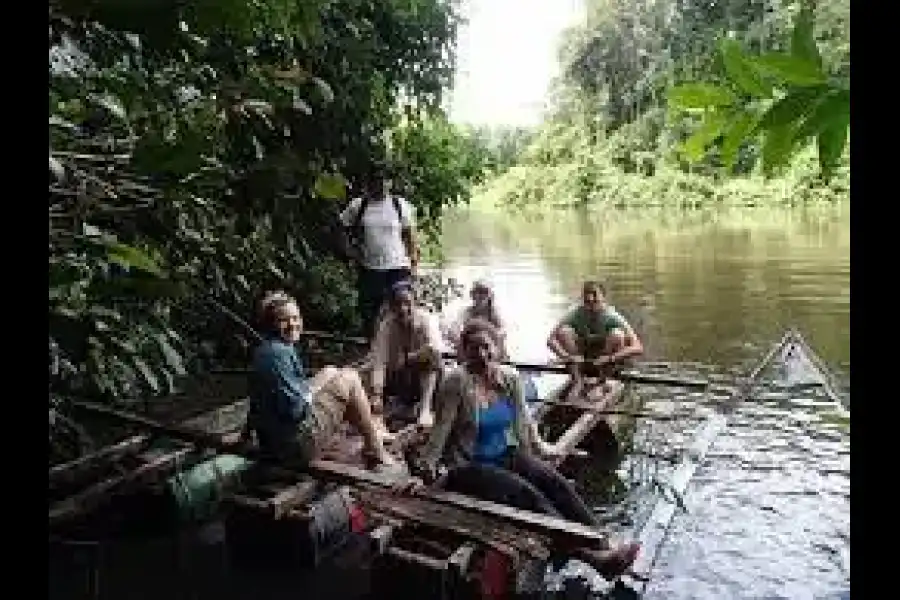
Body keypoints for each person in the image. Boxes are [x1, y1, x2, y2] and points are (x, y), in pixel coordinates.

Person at [404, 318, 641, 579]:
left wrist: (543, 449)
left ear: (496, 347)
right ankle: (594, 557)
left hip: (506, 453)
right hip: (469, 466)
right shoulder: (455, 382)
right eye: (474, 348)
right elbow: (441, 430)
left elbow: (525, 421)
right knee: (528, 496)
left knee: (556, 483)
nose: (481, 355)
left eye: (486, 347)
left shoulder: (509, 377)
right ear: (464, 350)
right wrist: (422, 473)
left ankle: (604, 544)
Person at [248, 290, 399, 470]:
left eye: (296, 318)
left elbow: (256, 403)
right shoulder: (281, 353)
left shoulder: (263, 350)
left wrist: (245, 435)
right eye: (284, 320)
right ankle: (375, 448)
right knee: (350, 378)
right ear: (271, 324)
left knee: (330, 371)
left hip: (270, 445)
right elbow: (296, 410)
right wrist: (316, 390)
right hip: (295, 447)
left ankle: (371, 428)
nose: (292, 324)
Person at [339, 164, 420, 340]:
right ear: (369, 183)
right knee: (370, 314)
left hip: (398, 268)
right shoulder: (358, 206)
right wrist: (351, 252)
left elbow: (411, 238)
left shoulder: (400, 205)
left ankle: (404, 350)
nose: (381, 184)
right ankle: (373, 350)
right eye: (377, 180)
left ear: (390, 183)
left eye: (385, 181)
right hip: (370, 268)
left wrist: (414, 266)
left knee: (403, 311)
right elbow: (342, 229)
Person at [367, 280, 443, 428]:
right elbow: (379, 361)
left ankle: (425, 408)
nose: (403, 309)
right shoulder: (387, 325)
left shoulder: (426, 319)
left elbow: (435, 348)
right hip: (399, 375)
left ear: (414, 302)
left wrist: (410, 358)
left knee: (432, 357)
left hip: (424, 373)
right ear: (391, 307)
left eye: (407, 303)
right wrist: (377, 392)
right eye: (398, 304)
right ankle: (392, 404)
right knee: (367, 373)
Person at [547, 280, 644, 383]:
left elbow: (638, 347)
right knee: (564, 332)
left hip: (607, 359)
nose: (592, 307)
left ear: (603, 300)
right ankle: (577, 379)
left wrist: (610, 358)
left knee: (617, 335)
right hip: (583, 358)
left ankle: (604, 380)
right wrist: (566, 357)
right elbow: (551, 340)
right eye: (588, 303)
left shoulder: (612, 316)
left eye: (595, 302)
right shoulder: (575, 313)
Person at [445, 280, 508, 359]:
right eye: (477, 292)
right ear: (472, 295)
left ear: (490, 296)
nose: (479, 296)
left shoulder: (495, 314)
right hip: (470, 351)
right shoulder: (466, 312)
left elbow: (502, 333)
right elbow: (452, 331)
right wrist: (460, 343)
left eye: (484, 292)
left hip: (491, 352)